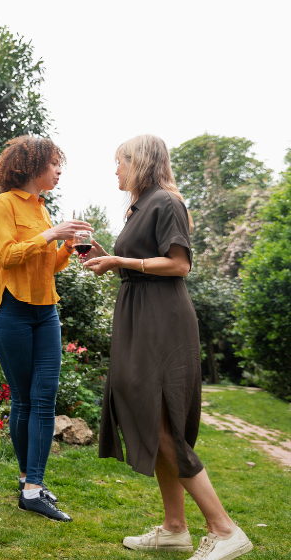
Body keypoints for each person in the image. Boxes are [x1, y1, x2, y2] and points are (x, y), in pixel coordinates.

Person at [83, 134, 253, 560]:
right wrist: (110, 257)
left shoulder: (166, 201)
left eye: (119, 161)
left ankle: (224, 528)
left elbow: (179, 263)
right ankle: (175, 528)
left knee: (162, 424)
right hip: (139, 315)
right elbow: (141, 261)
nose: (116, 170)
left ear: (139, 162)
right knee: (145, 416)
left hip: (162, 321)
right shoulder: (140, 206)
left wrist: (121, 261)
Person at [0, 136, 93, 523]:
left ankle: (34, 485)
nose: (59, 170)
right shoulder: (3, 205)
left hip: (46, 310)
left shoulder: (44, 210)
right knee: (25, 400)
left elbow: (48, 267)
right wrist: (50, 234)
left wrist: (68, 246)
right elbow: (7, 256)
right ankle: (28, 483)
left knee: (44, 396)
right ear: (32, 167)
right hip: (10, 311)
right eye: (54, 164)